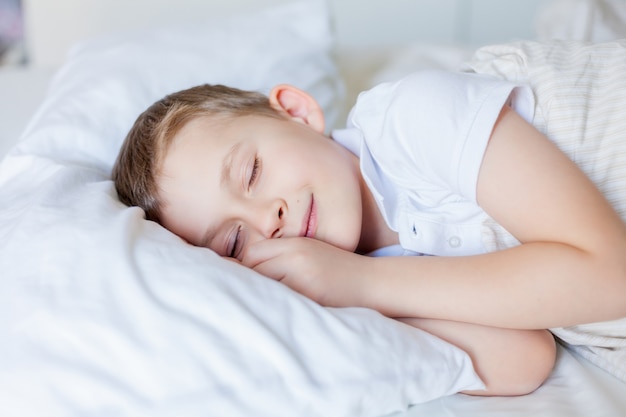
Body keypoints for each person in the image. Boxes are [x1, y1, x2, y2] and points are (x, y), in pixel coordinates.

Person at [112, 70, 626, 396]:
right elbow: (523, 359)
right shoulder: (363, 277)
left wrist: (363, 283)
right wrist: (352, 290)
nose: (267, 219)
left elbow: (611, 277)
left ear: (295, 112)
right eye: (235, 241)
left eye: (250, 174)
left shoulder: (411, 119)